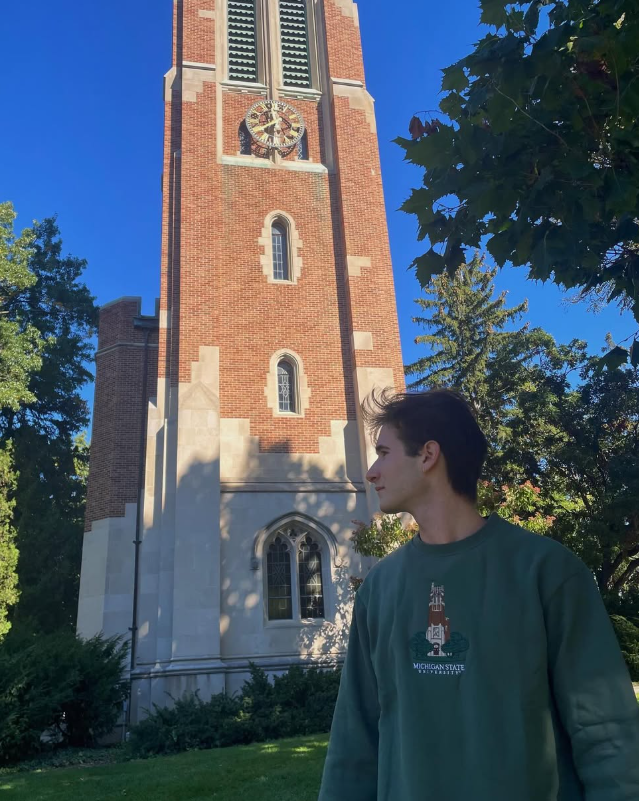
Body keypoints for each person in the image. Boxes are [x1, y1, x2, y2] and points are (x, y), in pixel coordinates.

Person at [318, 388, 639, 801]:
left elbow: (607, 733)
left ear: (428, 455)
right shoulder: (379, 589)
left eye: (383, 452)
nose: (372, 472)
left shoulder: (547, 572)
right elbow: (354, 739)